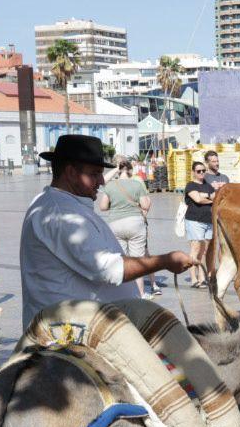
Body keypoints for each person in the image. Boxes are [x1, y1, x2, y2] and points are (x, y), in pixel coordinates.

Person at [19, 134, 195, 329]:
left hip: (90, 323)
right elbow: (108, 268)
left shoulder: (65, 204)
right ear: (70, 172)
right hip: (68, 332)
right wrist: (165, 261)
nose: (102, 181)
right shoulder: (59, 212)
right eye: (94, 174)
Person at [97, 159, 155, 297]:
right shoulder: (137, 184)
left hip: (115, 224)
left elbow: (103, 207)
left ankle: (124, 293)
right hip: (135, 223)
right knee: (137, 261)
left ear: (119, 170)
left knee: (122, 260)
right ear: (130, 170)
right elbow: (145, 206)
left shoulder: (110, 185)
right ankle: (140, 293)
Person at [181, 159, 217, 287]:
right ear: (193, 172)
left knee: (204, 251)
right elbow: (198, 199)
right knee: (195, 249)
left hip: (208, 222)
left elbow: (215, 197)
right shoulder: (191, 185)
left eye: (203, 170)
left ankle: (202, 277)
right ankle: (193, 278)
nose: (201, 173)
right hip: (195, 221)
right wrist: (209, 199)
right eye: (198, 171)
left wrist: (206, 197)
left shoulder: (208, 185)